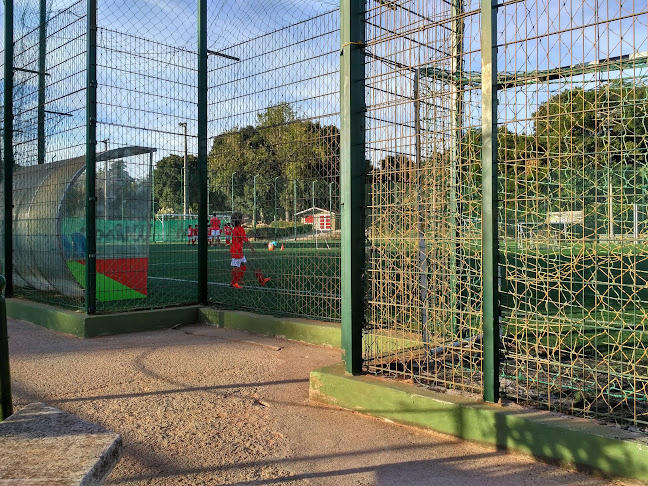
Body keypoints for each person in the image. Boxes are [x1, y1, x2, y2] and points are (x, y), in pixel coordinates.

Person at [230, 211, 270, 289]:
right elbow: (246, 240)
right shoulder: (240, 229)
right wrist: (252, 249)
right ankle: (234, 283)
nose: (244, 219)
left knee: (243, 266)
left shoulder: (235, 229)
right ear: (239, 220)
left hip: (236, 251)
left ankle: (260, 280)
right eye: (242, 218)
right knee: (240, 268)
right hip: (237, 251)